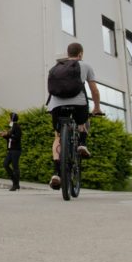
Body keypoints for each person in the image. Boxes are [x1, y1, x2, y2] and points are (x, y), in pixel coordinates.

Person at [46, 42, 102, 190]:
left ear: (68, 53)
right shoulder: (85, 66)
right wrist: (97, 108)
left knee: (58, 137)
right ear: (80, 54)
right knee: (83, 119)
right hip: (78, 102)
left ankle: (57, 173)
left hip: (56, 105)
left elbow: (52, 90)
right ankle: (82, 143)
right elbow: (94, 90)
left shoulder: (56, 67)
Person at [0, 112, 22, 191]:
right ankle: (15, 182)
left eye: (9, 117)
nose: (8, 119)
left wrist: (8, 134)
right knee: (5, 164)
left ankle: (15, 185)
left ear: (12, 119)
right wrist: (4, 135)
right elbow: (10, 139)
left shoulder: (17, 127)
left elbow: (17, 138)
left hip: (16, 150)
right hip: (11, 150)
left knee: (15, 167)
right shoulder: (11, 127)